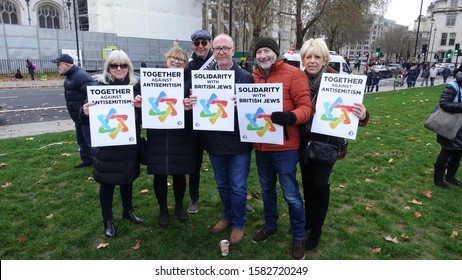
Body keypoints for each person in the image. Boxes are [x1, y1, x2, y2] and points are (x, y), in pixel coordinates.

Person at [299, 38, 369, 251]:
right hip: (302, 142)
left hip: (326, 143)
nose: (312, 61)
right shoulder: (297, 79)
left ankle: (317, 227)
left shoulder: (338, 81)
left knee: (321, 186)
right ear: (302, 59)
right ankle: (309, 219)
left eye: (317, 57)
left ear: (325, 59)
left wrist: (363, 114)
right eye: (308, 57)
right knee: (308, 185)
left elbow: (356, 113)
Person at [251, 36, 312, 260]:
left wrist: (290, 117)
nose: (263, 56)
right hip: (261, 146)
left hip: (285, 148)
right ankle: (270, 224)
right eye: (259, 52)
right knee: (267, 191)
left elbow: (307, 107)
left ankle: (298, 236)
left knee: (291, 195)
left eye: (267, 51)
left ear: (275, 52)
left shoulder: (294, 74)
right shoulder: (254, 77)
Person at [194, 33, 253, 244]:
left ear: (233, 50)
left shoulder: (245, 77)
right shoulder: (203, 77)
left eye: (225, 48)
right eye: (217, 48)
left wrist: (243, 104)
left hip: (238, 143)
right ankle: (228, 216)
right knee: (222, 184)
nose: (221, 52)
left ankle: (239, 222)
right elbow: (200, 108)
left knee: (238, 186)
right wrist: (194, 101)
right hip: (215, 142)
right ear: (213, 51)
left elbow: (254, 111)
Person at [80, 50, 143, 237]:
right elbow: (84, 119)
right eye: (114, 65)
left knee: (127, 178)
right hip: (107, 145)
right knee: (107, 183)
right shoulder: (98, 86)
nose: (119, 69)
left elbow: (142, 118)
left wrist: (140, 107)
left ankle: (127, 210)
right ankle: (107, 219)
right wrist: (84, 111)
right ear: (108, 67)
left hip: (129, 143)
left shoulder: (136, 87)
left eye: (123, 65)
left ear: (129, 67)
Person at [138, 46, 197, 228]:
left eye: (181, 59)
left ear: (186, 64)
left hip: (182, 133)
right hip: (158, 133)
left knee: (179, 173)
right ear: (167, 59)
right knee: (160, 174)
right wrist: (140, 103)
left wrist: (192, 104)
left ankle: (179, 206)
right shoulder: (152, 78)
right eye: (173, 57)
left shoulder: (191, 80)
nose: (176, 61)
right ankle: (163, 209)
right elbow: (140, 101)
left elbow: (198, 108)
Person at [186, 29, 214, 214]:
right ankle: (194, 198)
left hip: (215, 122)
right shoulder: (187, 68)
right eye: (197, 43)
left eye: (204, 42)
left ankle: (237, 198)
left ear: (210, 44)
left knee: (225, 163)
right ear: (193, 45)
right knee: (194, 164)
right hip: (194, 124)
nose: (201, 46)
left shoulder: (218, 64)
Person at [51, 54, 95, 168]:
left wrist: (84, 110)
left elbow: (92, 94)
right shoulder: (70, 76)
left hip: (86, 118)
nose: (57, 67)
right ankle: (87, 161)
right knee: (82, 141)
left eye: (58, 64)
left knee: (90, 142)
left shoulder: (80, 76)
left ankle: (98, 164)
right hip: (78, 118)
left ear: (67, 64)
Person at [433, 65, 462, 190]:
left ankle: (450, 176)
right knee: (446, 151)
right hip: (450, 124)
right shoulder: (453, 85)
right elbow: (444, 103)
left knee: (458, 153)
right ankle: (438, 179)